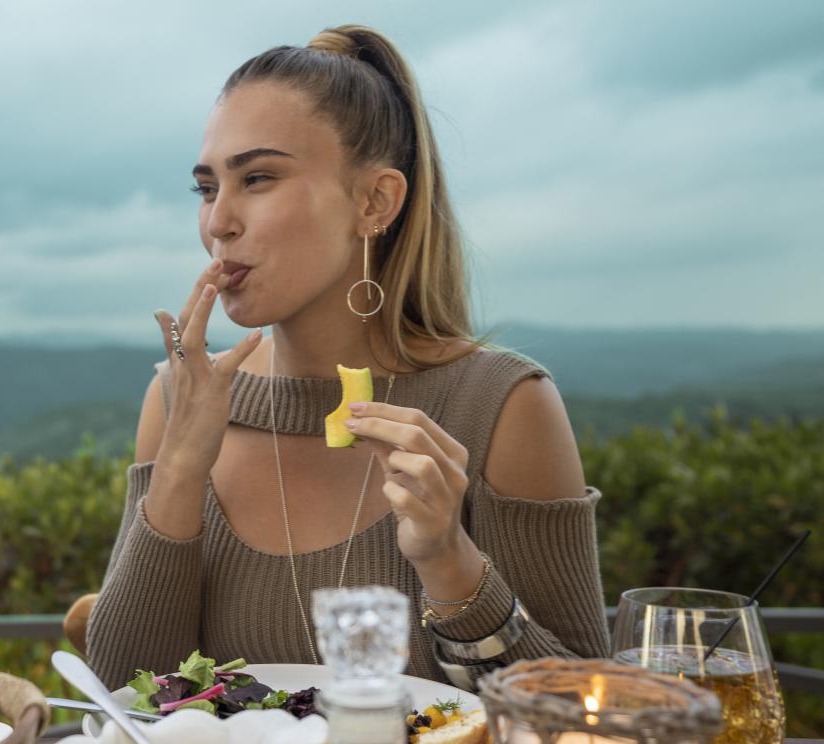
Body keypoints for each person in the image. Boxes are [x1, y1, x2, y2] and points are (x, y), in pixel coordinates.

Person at [86, 25, 609, 690]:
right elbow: (124, 699)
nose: (219, 220)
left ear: (374, 202)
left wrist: (451, 564)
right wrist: (181, 468)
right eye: (207, 187)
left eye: (258, 178)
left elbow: (590, 713)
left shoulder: (504, 407)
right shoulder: (177, 401)